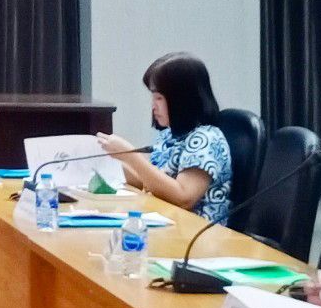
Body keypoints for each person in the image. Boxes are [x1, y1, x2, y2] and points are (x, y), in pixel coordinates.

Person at [97, 53, 232, 223]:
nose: (153, 106)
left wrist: (130, 156)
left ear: (182, 99)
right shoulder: (170, 135)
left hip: (196, 237)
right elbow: (149, 182)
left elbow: (183, 197)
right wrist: (107, 162)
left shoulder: (206, 139)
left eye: (159, 98)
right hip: (166, 226)